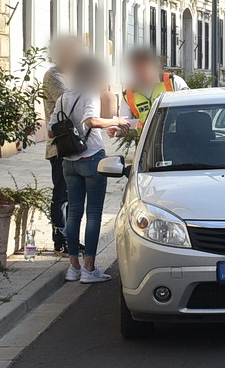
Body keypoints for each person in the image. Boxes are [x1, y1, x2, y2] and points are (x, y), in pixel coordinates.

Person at [52, 57, 128, 283]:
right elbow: (91, 121)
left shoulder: (62, 99)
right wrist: (115, 120)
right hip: (92, 158)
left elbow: (50, 131)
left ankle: (73, 267)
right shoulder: (89, 94)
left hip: (69, 161)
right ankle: (89, 268)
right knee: (94, 214)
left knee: (74, 213)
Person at [41, 36, 84, 254]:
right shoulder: (53, 76)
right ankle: (61, 239)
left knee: (75, 196)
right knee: (62, 195)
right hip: (60, 146)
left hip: (78, 145)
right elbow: (68, 104)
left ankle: (74, 238)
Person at [119, 46, 188, 138]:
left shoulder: (173, 82)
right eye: (135, 70)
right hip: (148, 145)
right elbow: (124, 125)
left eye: (142, 69)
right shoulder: (129, 95)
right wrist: (118, 131)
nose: (139, 73)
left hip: (178, 139)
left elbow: (190, 112)